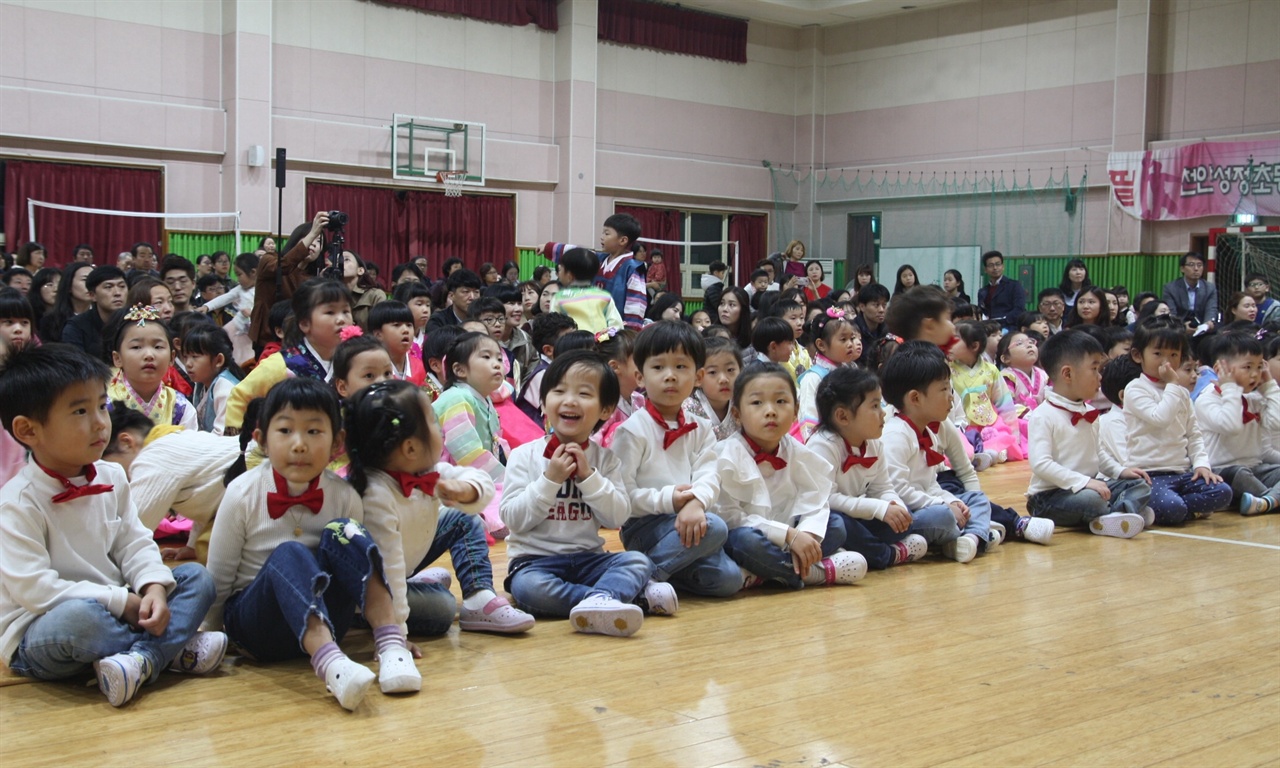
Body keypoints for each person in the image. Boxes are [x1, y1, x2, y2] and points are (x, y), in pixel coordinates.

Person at [0, 344, 224, 707]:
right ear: (28, 430)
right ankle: (169, 649)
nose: (100, 422)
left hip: (116, 606)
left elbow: (133, 542)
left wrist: (151, 586)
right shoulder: (16, 502)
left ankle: (140, 660)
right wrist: (123, 601)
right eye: (79, 411)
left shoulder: (112, 475)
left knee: (197, 578)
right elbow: (36, 591)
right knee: (80, 620)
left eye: (102, 405)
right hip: (42, 629)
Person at [205, 379, 419, 710]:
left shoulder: (344, 495)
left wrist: (401, 627)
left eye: (314, 432)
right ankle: (332, 665)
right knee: (291, 552)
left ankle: (391, 645)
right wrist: (208, 636)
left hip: (330, 618)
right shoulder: (242, 493)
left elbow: (359, 570)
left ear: (338, 442)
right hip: (257, 627)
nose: (299, 444)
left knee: (347, 531)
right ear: (262, 439)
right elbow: (218, 578)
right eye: (286, 430)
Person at [348, 380, 534, 638]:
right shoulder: (376, 497)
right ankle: (367, 612)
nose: (441, 430)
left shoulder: (425, 471)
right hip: (372, 586)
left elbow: (483, 483)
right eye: (434, 423)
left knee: (463, 516)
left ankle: (479, 596)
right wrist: (395, 638)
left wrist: (466, 490)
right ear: (411, 448)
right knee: (443, 609)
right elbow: (388, 570)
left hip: (403, 563)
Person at [500, 350, 658, 636]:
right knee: (528, 589)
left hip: (589, 559)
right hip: (535, 562)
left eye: (584, 394)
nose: (570, 400)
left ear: (606, 410)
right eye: (559, 391)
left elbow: (617, 516)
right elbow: (513, 519)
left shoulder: (606, 460)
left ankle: (602, 600)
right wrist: (550, 480)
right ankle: (612, 599)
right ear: (544, 402)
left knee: (638, 560)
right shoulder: (524, 456)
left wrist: (588, 477)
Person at [612, 322, 739, 600]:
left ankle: (661, 574)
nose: (670, 376)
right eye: (658, 368)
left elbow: (709, 475)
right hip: (644, 525)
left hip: (689, 517)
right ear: (640, 377)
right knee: (715, 527)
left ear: (698, 377)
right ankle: (641, 579)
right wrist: (671, 500)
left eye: (681, 367)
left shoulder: (701, 427)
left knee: (729, 579)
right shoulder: (632, 430)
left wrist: (695, 502)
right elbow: (622, 497)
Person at [714, 363, 866, 589]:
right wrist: (787, 535)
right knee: (744, 540)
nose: (770, 411)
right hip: (758, 537)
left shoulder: (797, 451)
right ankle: (813, 572)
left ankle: (767, 572)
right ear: (737, 414)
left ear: (795, 411)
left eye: (781, 402)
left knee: (835, 524)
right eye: (757, 403)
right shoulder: (725, 454)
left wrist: (806, 533)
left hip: (789, 537)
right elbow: (730, 517)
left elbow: (816, 500)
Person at [1026, 330, 1152, 537]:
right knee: (1092, 500)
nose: (1100, 377)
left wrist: (1120, 471)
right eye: (1094, 369)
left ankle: (1117, 515)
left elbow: (1098, 453)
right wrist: (1084, 482)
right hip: (1049, 498)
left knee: (1139, 485)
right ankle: (1122, 513)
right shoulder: (1044, 415)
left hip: (1088, 487)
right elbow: (1041, 465)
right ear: (1068, 374)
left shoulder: (1087, 411)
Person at [880, 342, 997, 563]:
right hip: (907, 512)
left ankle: (969, 539)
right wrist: (943, 505)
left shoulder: (927, 431)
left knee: (977, 499)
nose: (951, 398)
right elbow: (898, 490)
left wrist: (951, 500)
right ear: (915, 398)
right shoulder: (896, 434)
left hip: (927, 502)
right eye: (944, 390)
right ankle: (975, 534)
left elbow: (932, 484)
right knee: (941, 516)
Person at [808, 367, 930, 570]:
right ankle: (886, 555)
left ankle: (852, 550)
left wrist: (893, 505)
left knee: (900, 518)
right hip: (824, 517)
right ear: (843, 416)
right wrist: (879, 508)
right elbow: (827, 500)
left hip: (856, 515)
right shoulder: (822, 445)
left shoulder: (874, 443)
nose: (883, 412)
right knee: (838, 524)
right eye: (874, 406)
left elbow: (882, 488)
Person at [1123, 317, 1233, 524]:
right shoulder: (1135, 389)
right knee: (1172, 507)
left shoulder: (1180, 392)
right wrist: (1173, 384)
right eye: (1158, 354)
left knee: (1223, 492)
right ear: (1138, 355)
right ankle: (1172, 508)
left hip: (1182, 472)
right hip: (1149, 475)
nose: (1166, 361)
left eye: (1174, 355)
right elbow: (1160, 418)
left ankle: (1176, 509)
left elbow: (1194, 433)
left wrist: (1202, 465)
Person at [102, 405, 240, 560]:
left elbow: (133, 530)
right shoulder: (176, 438)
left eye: (107, 464)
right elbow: (207, 495)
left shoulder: (153, 456)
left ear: (126, 442)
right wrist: (192, 547)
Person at [225, 279, 353, 434]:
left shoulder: (353, 361)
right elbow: (240, 397)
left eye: (346, 311)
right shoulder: (280, 365)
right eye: (330, 312)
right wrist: (244, 444)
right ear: (305, 323)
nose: (341, 319)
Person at [434, 332, 511, 539]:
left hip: (476, 473)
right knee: (509, 511)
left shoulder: (482, 399)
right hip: (448, 476)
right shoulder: (456, 397)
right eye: (486, 357)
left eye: (498, 357)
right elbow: (465, 450)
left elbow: (495, 444)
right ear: (459, 369)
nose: (497, 364)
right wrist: (505, 478)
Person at [1193, 333, 1280, 515]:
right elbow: (1231, 426)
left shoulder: (1254, 398)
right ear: (1220, 368)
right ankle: (1269, 499)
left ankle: (1266, 501)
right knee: (1240, 473)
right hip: (1223, 471)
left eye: (1258, 367)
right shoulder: (1207, 399)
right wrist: (1230, 387)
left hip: (1256, 468)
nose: (1255, 374)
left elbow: (1276, 422)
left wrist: (1269, 385)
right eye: (1247, 367)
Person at [542, 213, 648, 330]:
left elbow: (636, 306)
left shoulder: (632, 268)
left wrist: (630, 333)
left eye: (607, 233)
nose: (602, 237)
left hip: (614, 334)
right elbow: (577, 254)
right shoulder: (598, 259)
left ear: (622, 240)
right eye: (602, 232)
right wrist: (548, 248)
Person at [104, 305, 198, 430]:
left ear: (172, 357)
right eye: (136, 347)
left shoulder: (180, 407)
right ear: (117, 358)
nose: (149, 355)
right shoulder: (104, 405)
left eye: (158, 347)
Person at [796, 307, 859, 440]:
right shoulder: (812, 378)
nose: (850, 344)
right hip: (825, 443)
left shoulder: (853, 369)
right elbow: (809, 423)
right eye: (843, 339)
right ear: (821, 345)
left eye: (852, 338)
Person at [182, 323, 244, 435]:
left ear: (218, 360)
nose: (188, 364)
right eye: (185, 357)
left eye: (195, 357)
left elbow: (222, 435)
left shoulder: (225, 387)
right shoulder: (201, 383)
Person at [198, 252, 259, 366]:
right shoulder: (240, 289)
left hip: (251, 332)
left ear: (253, 272)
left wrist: (252, 314)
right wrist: (207, 306)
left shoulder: (263, 289)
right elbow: (225, 298)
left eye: (240, 274)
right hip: (236, 326)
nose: (238, 279)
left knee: (247, 359)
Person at [518, 312, 577, 423]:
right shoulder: (543, 375)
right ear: (549, 350)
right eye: (569, 339)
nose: (575, 343)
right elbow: (551, 417)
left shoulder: (563, 369)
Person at [550, 247, 624, 335]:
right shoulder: (604, 296)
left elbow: (552, 327)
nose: (559, 272)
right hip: (600, 344)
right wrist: (605, 337)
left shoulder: (559, 297)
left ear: (569, 275)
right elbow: (617, 326)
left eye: (561, 268)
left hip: (571, 345)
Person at [62, 265, 128, 363]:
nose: (117, 293)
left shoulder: (136, 321)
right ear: (92, 295)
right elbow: (74, 366)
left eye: (122, 286)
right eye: (108, 287)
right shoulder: (76, 327)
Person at [682, 335, 742, 442]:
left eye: (730, 370)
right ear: (698, 377)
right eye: (713, 372)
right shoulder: (687, 409)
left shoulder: (742, 404)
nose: (724, 379)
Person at [367, 301, 425, 386]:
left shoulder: (420, 366)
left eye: (409, 325)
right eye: (397, 325)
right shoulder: (370, 369)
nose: (405, 330)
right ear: (378, 334)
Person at [39, 262, 94, 344]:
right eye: (85, 280)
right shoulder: (51, 321)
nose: (91, 285)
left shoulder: (104, 318)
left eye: (94, 280)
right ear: (68, 286)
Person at [1162, 251, 1218, 328]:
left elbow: (1211, 310)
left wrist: (1207, 324)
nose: (1196, 269)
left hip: (1202, 327)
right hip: (1179, 328)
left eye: (1199, 265)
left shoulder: (1209, 288)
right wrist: (1182, 327)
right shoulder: (1170, 288)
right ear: (1182, 269)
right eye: (1191, 265)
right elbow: (1171, 313)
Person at [976, 250, 1027, 330]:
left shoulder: (1014, 285)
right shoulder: (982, 291)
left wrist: (1003, 320)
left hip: (1010, 326)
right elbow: (982, 312)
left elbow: (1019, 308)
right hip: (988, 328)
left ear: (1003, 266)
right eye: (991, 265)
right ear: (985, 269)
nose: (995, 268)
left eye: (998, 264)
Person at [425, 268, 483, 332]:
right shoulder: (438, 320)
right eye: (466, 291)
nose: (472, 297)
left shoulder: (484, 317)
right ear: (451, 296)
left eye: (476, 292)